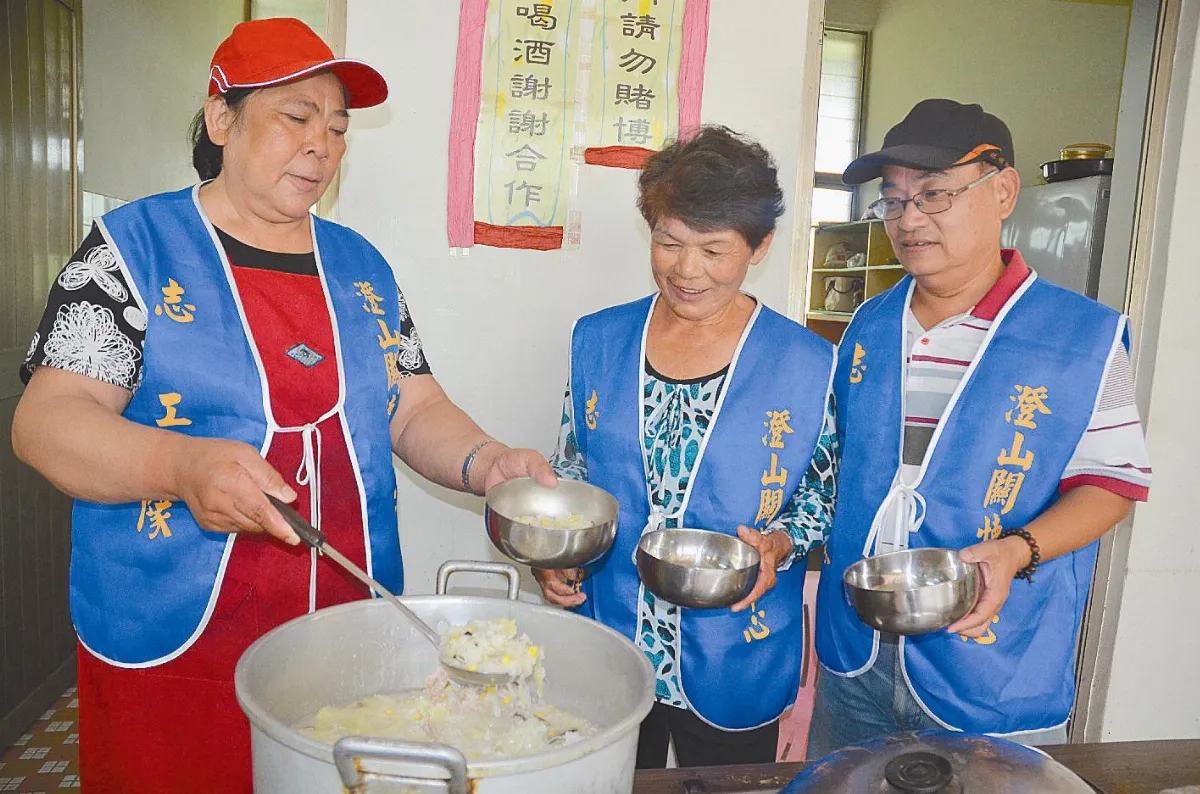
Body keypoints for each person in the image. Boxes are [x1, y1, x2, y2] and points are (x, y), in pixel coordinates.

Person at [10, 18, 554, 794]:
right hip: (177, 631)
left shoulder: (359, 265)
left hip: (340, 631)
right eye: (296, 118)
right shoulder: (132, 249)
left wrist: (485, 461)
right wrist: (182, 465)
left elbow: (410, 406)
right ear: (222, 118)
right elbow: (45, 422)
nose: (323, 146)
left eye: (337, 128)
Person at [807, 99, 1152, 757]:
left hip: (990, 661)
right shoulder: (869, 326)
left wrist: (1017, 548)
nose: (909, 221)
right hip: (857, 649)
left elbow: (1111, 486)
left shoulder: (1083, 337)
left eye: (934, 194)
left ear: (1003, 191)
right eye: (894, 201)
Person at [535, 126, 838, 768]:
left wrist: (779, 543)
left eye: (712, 249)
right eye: (668, 242)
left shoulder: (811, 362)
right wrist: (555, 554)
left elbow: (824, 495)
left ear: (759, 247)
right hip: (613, 633)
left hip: (738, 646)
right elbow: (573, 467)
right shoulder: (599, 339)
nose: (686, 269)